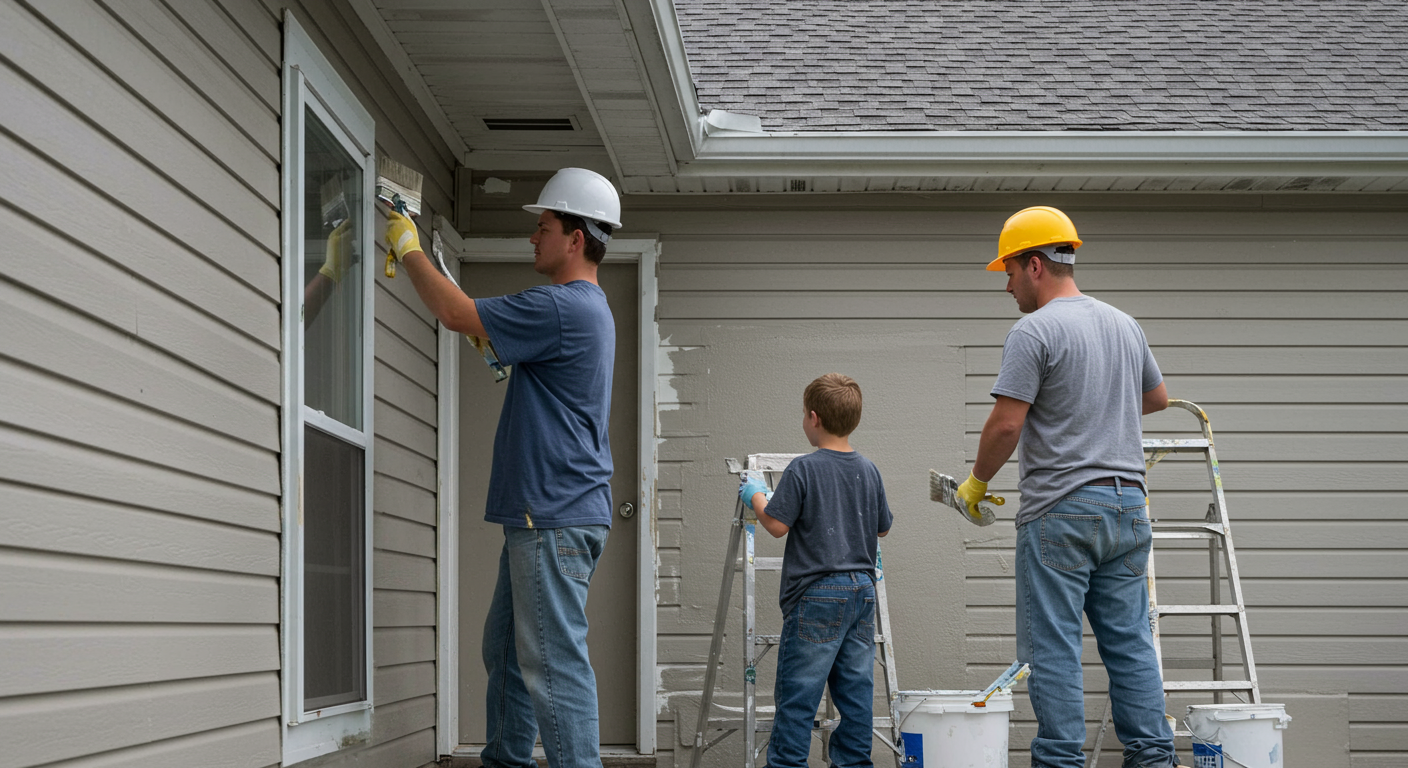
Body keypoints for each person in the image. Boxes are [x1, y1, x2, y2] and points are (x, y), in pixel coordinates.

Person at [384, 167, 622, 768]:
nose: (533, 238)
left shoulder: (563, 305)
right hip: (545, 514)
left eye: (543, 227)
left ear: (576, 238)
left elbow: (457, 313)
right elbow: (488, 340)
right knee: (509, 650)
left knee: (551, 661)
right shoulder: (583, 309)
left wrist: (406, 243)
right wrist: (486, 336)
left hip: (552, 514)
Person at [945, 206, 1182, 768]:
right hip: (1128, 507)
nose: (1005, 286)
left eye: (1006, 271)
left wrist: (977, 484)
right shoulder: (1125, 324)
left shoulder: (1034, 330)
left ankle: (1059, 761)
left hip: (1062, 511)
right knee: (1129, 642)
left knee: (1052, 647)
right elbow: (1158, 399)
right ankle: (1153, 758)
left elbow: (1007, 423)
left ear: (1034, 265)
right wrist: (1101, 398)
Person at [738, 373, 893, 768]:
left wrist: (756, 493)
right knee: (856, 693)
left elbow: (775, 525)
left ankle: (788, 763)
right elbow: (882, 527)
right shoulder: (869, 469)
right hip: (862, 590)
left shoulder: (803, 470)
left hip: (818, 593)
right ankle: (855, 763)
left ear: (813, 417)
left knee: (799, 694)